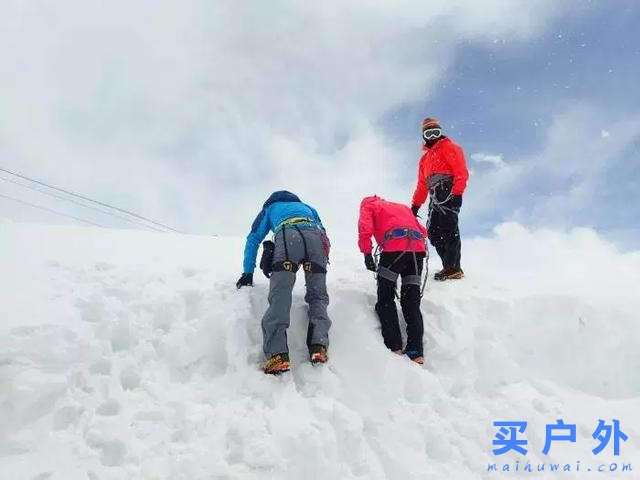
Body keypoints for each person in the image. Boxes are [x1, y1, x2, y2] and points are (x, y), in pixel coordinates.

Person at [236, 190, 331, 374]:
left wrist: (248, 272)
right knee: (318, 295)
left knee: (281, 293)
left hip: (289, 237)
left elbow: (253, 238)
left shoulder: (271, 208)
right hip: (315, 240)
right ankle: (319, 346)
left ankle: (277, 355)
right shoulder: (308, 208)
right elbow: (324, 234)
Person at [358, 195, 427, 364]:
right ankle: (416, 350)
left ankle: (394, 346)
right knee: (411, 302)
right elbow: (422, 230)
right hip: (416, 251)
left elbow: (365, 228)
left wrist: (367, 254)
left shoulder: (368, 206)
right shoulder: (402, 206)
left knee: (386, 297)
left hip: (394, 250)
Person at [411, 117, 469, 281]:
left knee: (449, 229)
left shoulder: (450, 148)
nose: (433, 136)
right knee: (434, 233)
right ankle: (448, 266)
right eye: (429, 133)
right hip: (434, 196)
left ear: (441, 132)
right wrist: (415, 206)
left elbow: (461, 172)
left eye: (436, 132)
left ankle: (454, 268)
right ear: (424, 136)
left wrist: (457, 194)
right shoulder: (424, 160)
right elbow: (422, 185)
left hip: (448, 193)